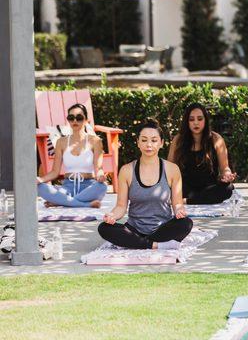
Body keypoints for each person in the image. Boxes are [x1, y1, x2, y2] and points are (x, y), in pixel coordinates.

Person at [98, 120, 193, 250]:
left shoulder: (172, 169)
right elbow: (121, 206)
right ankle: (153, 245)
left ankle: (137, 243)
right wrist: (112, 216)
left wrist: (179, 211)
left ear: (161, 143)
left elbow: (177, 203)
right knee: (104, 228)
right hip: (134, 230)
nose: (149, 144)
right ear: (138, 142)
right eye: (144, 140)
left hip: (162, 229)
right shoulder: (126, 170)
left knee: (186, 223)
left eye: (154, 140)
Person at [37, 103, 107, 208]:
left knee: (102, 187)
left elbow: (99, 168)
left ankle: (61, 201)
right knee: (40, 187)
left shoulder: (95, 141)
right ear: (68, 120)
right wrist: (40, 180)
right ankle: (85, 204)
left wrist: (101, 176)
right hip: (67, 187)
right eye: (71, 118)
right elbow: (55, 172)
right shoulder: (61, 142)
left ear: (86, 120)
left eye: (79, 118)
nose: (75, 121)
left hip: (89, 186)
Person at [168, 103, 236, 205]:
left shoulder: (216, 139)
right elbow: (169, 167)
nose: (196, 123)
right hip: (185, 189)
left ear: (205, 120)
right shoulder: (178, 140)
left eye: (200, 119)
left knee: (228, 188)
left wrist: (227, 175)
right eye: (191, 119)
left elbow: (224, 167)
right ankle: (197, 199)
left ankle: (187, 201)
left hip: (209, 187)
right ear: (187, 122)